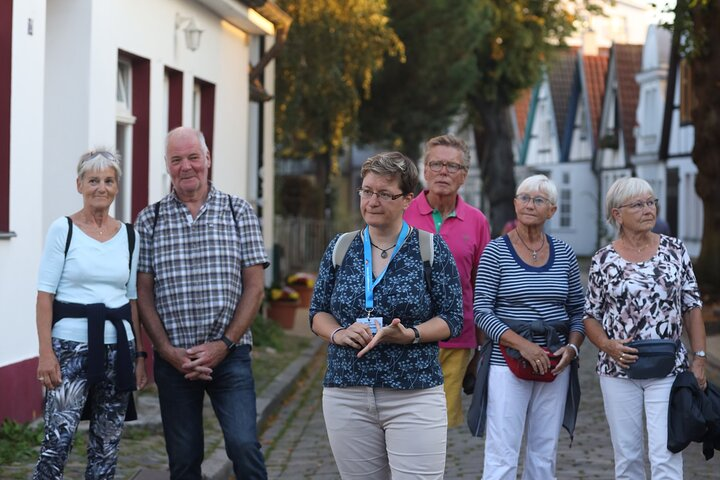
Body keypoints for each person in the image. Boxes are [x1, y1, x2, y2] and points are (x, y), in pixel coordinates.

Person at [310, 152, 463, 479]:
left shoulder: (430, 248)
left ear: (408, 199)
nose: (372, 201)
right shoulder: (341, 247)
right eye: (366, 191)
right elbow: (318, 312)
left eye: (384, 193)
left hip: (414, 393)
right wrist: (338, 333)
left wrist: (410, 334)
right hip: (347, 393)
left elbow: (452, 318)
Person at [135, 127, 269, 479]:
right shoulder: (150, 219)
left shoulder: (238, 210)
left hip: (230, 356)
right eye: (177, 159)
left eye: (193, 157)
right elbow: (143, 291)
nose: (186, 166)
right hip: (174, 360)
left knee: (243, 446)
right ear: (167, 165)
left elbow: (255, 288)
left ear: (207, 159)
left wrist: (223, 345)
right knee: (183, 459)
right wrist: (165, 350)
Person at [34, 149, 147, 479]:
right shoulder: (63, 229)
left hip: (119, 351)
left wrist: (140, 355)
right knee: (58, 442)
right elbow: (44, 296)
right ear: (79, 184)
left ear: (117, 187)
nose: (101, 187)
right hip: (70, 350)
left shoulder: (130, 235)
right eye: (93, 180)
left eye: (108, 181)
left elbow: (132, 299)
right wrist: (45, 354)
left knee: (107, 447)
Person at [584, 177, 707, 479]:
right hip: (618, 369)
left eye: (651, 202)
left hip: (668, 368)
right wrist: (608, 346)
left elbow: (692, 306)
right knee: (627, 459)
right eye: (638, 204)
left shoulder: (675, 251)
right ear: (617, 214)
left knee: (666, 454)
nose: (648, 209)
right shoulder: (603, 260)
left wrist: (700, 357)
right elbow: (590, 316)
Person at [473, 174, 585, 479]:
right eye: (524, 197)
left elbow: (578, 309)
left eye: (539, 200)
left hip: (554, 363)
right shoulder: (495, 252)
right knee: (502, 454)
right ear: (514, 204)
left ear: (552, 210)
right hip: (506, 362)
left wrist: (572, 348)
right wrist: (523, 345)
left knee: (544, 453)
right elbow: (481, 311)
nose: (529, 204)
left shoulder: (564, 254)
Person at [404, 134, 490, 428]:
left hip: (457, 338)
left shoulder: (477, 221)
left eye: (452, 167)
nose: (443, 172)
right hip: (404, 338)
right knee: (406, 421)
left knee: (439, 424)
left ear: (463, 176)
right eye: (437, 164)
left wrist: (482, 347)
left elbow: (482, 285)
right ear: (424, 170)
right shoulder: (402, 214)